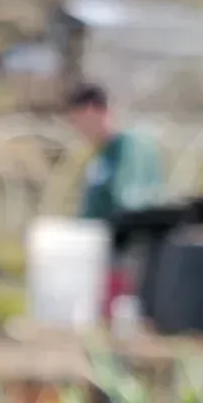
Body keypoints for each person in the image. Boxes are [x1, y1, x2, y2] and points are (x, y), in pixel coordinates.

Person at [62, 83, 165, 324]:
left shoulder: (128, 146)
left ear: (92, 111)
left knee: (120, 314)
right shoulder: (104, 152)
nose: (77, 128)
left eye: (77, 119)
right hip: (99, 249)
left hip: (125, 251)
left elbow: (128, 201)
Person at [63, 83, 163, 223]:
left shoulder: (131, 147)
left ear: (95, 111)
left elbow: (131, 203)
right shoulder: (101, 155)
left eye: (78, 118)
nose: (77, 127)